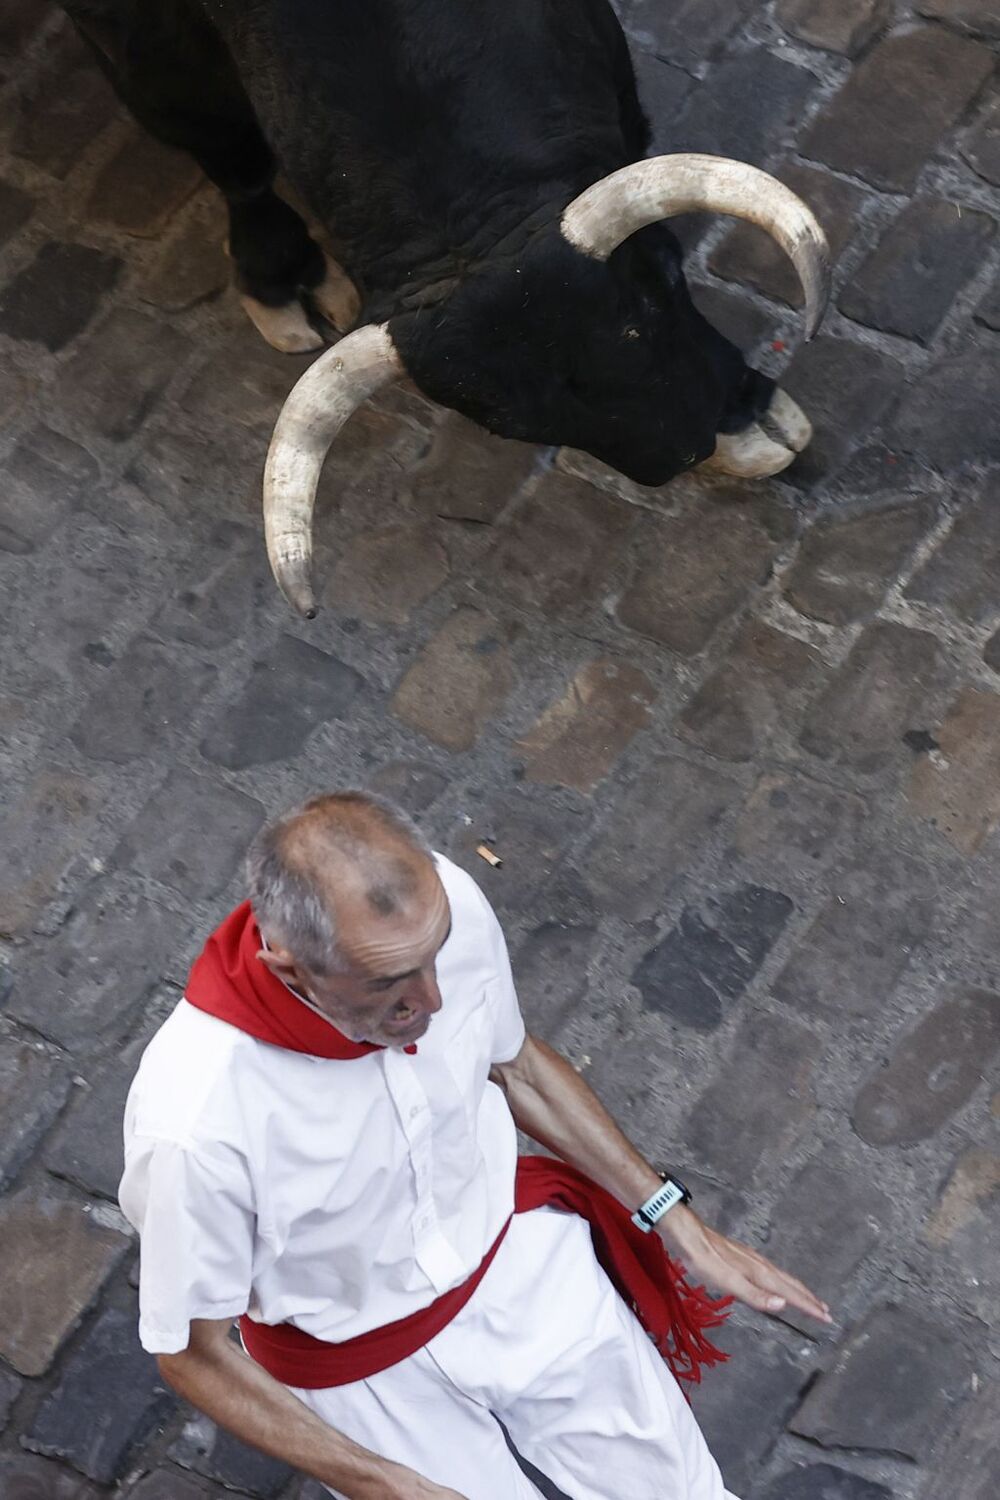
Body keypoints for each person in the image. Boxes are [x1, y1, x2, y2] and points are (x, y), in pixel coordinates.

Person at [120, 790, 830, 1500]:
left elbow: (514, 1064)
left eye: (434, 958)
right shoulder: (196, 1125)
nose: (431, 999)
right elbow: (194, 1354)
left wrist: (676, 1219)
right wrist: (383, 1483)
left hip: (521, 1268)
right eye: (387, 983)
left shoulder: (442, 905)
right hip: (362, 1372)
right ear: (288, 967)